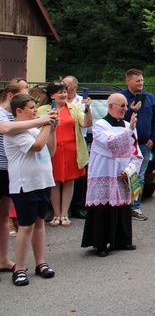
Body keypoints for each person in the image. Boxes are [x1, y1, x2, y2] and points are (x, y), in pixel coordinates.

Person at [0, 84, 57, 277]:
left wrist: (53, 129)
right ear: (19, 111)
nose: (36, 111)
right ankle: (20, 268)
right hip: (25, 185)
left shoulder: (34, 129)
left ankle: (41, 263)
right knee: (26, 226)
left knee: (40, 224)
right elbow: (38, 146)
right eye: (32, 108)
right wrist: (46, 124)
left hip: (42, 182)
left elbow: (50, 151)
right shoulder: (16, 132)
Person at [81, 94, 140, 257]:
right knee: (103, 208)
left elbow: (136, 152)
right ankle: (101, 243)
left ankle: (122, 240)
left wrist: (129, 170)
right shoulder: (99, 125)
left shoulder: (129, 125)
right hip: (104, 172)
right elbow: (111, 143)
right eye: (122, 106)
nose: (125, 109)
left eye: (126, 106)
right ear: (111, 106)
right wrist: (129, 131)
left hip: (122, 175)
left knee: (122, 207)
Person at [36, 81, 92, 227]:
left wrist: (88, 109)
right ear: (52, 95)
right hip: (52, 150)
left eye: (65, 91)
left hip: (71, 149)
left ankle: (65, 214)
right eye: (59, 92)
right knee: (53, 181)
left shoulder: (74, 107)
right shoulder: (42, 109)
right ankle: (56, 214)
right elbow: (35, 128)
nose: (63, 94)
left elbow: (85, 123)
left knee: (69, 181)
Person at [121, 69, 155, 221]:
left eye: (142, 80)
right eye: (137, 81)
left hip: (144, 143)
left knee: (140, 176)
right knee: (124, 175)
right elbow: (116, 118)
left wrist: (153, 136)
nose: (141, 83)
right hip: (125, 143)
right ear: (128, 81)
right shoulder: (121, 98)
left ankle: (135, 207)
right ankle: (122, 205)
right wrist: (130, 110)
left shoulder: (150, 98)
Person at [63, 75, 89, 219]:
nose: (63, 89)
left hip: (79, 140)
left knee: (79, 176)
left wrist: (88, 108)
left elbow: (87, 122)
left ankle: (78, 206)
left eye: (66, 86)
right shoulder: (58, 101)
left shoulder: (81, 102)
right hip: (62, 140)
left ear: (74, 87)